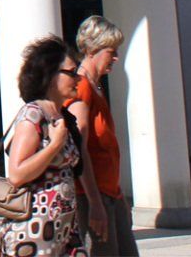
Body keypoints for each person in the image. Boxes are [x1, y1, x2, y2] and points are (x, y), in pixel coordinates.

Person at [0, 35, 89, 257]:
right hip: (33, 232)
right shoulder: (33, 115)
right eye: (71, 73)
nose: (78, 79)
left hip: (63, 230)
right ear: (51, 76)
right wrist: (54, 146)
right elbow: (16, 174)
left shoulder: (62, 116)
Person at [69, 16, 130, 255]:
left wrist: (118, 194)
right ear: (93, 50)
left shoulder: (97, 87)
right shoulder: (81, 86)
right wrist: (95, 202)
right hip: (91, 195)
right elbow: (79, 147)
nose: (115, 58)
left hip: (109, 193)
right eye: (111, 52)